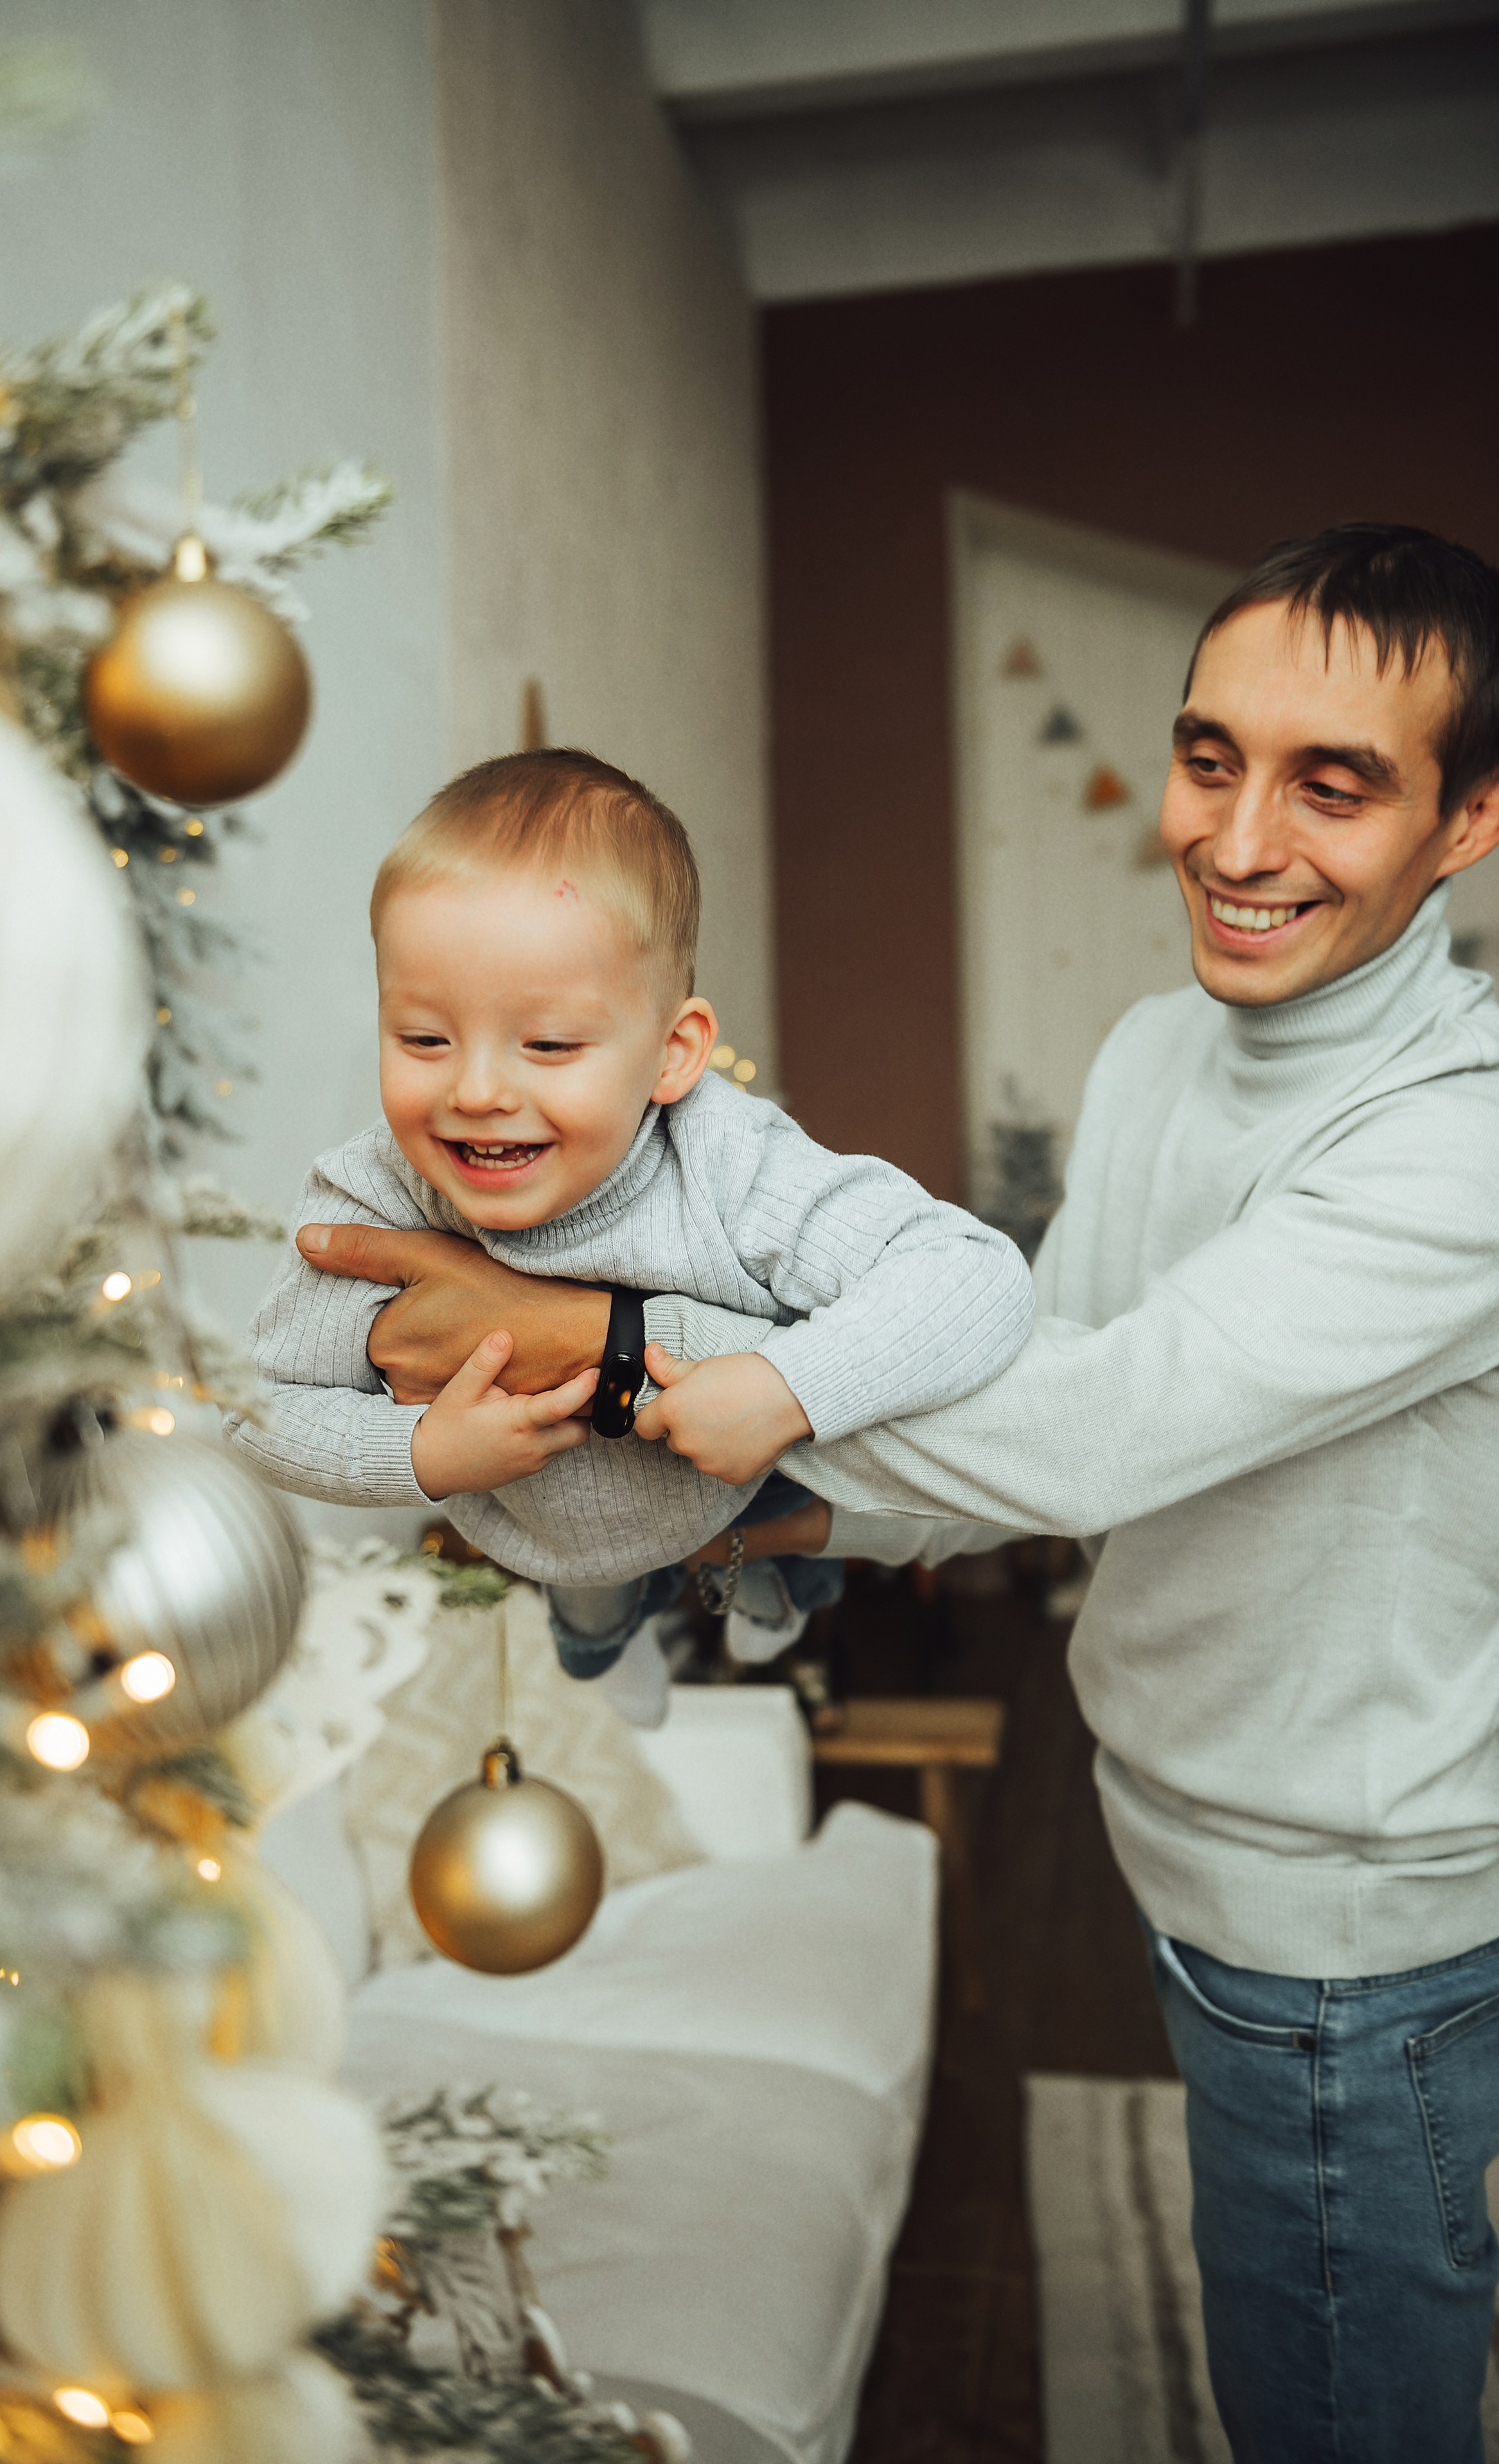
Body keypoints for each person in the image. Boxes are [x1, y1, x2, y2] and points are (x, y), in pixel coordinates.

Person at [294, 525, 1499, 2464]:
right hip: (1178, 1834)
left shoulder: (1464, 1140)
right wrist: (753, 1511)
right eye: (1209, 758)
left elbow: (1103, 1426)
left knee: (1334, 2414)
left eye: (1332, 784)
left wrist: (602, 1349)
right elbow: (1015, 1392)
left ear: (1470, 820)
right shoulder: (1158, 1049)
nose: (1236, 837)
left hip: (1345, 1916)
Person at [226, 747, 1032, 1726]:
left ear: (672, 1054)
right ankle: (605, 1631)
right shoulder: (374, 1190)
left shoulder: (729, 1159)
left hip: (737, 1484)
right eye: (425, 1040)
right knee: (590, 1594)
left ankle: (775, 1585)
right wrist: (424, 1451)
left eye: (549, 1044)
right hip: (538, 1521)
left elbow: (973, 1274)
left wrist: (784, 1388)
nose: (476, 1091)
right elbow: (253, 1413)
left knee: (801, 1490)